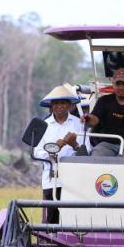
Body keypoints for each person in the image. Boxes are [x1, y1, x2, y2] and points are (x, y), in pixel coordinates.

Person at [34, 84, 86, 222]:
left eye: (62, 103)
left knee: (74, 217)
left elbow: (88, 154)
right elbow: (37, 152)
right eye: (56, 103)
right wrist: (54, 149)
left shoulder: (79, 124)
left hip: (74, 178)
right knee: (52, 218)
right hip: (51, 178)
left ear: (69, 105)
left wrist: (75, 145)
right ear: (51, 106)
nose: (59, 106)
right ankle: (52, 242)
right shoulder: (43, 125)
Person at [82, 68, 124, 156]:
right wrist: (87, 119)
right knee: (96, 159)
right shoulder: (103, 101)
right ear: (113, 84)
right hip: (105, 145)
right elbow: (94, 119)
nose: (121, 87)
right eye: (118, 84)